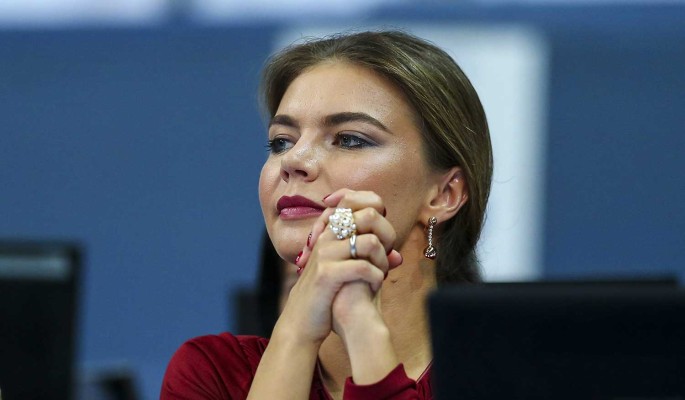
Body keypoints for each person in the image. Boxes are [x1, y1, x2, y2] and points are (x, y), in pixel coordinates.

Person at [161, 30, 492, 399]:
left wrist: (362, 328)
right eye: (281, 142)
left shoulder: (512, 371)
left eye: (349, 139)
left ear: (445, 194)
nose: (293, 160)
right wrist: (297, 329)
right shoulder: (212, 374)